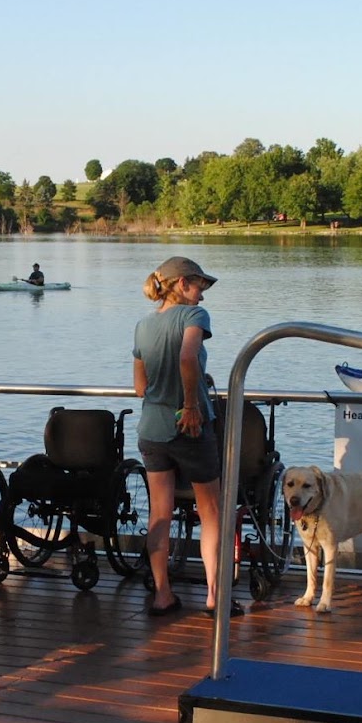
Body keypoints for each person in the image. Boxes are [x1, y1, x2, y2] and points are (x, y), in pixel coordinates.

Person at [132, 255, 233, 619]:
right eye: (199, 287)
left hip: (151, 430)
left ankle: (162, 595)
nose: (203, 296)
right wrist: (191, 404)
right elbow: (188, 358)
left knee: (160, 513)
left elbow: (140, 387)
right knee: (212, 512)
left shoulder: (143, 325)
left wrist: (166, 391)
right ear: (181, 284)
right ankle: (214, 596)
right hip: (188, 428)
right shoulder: (194, 317)